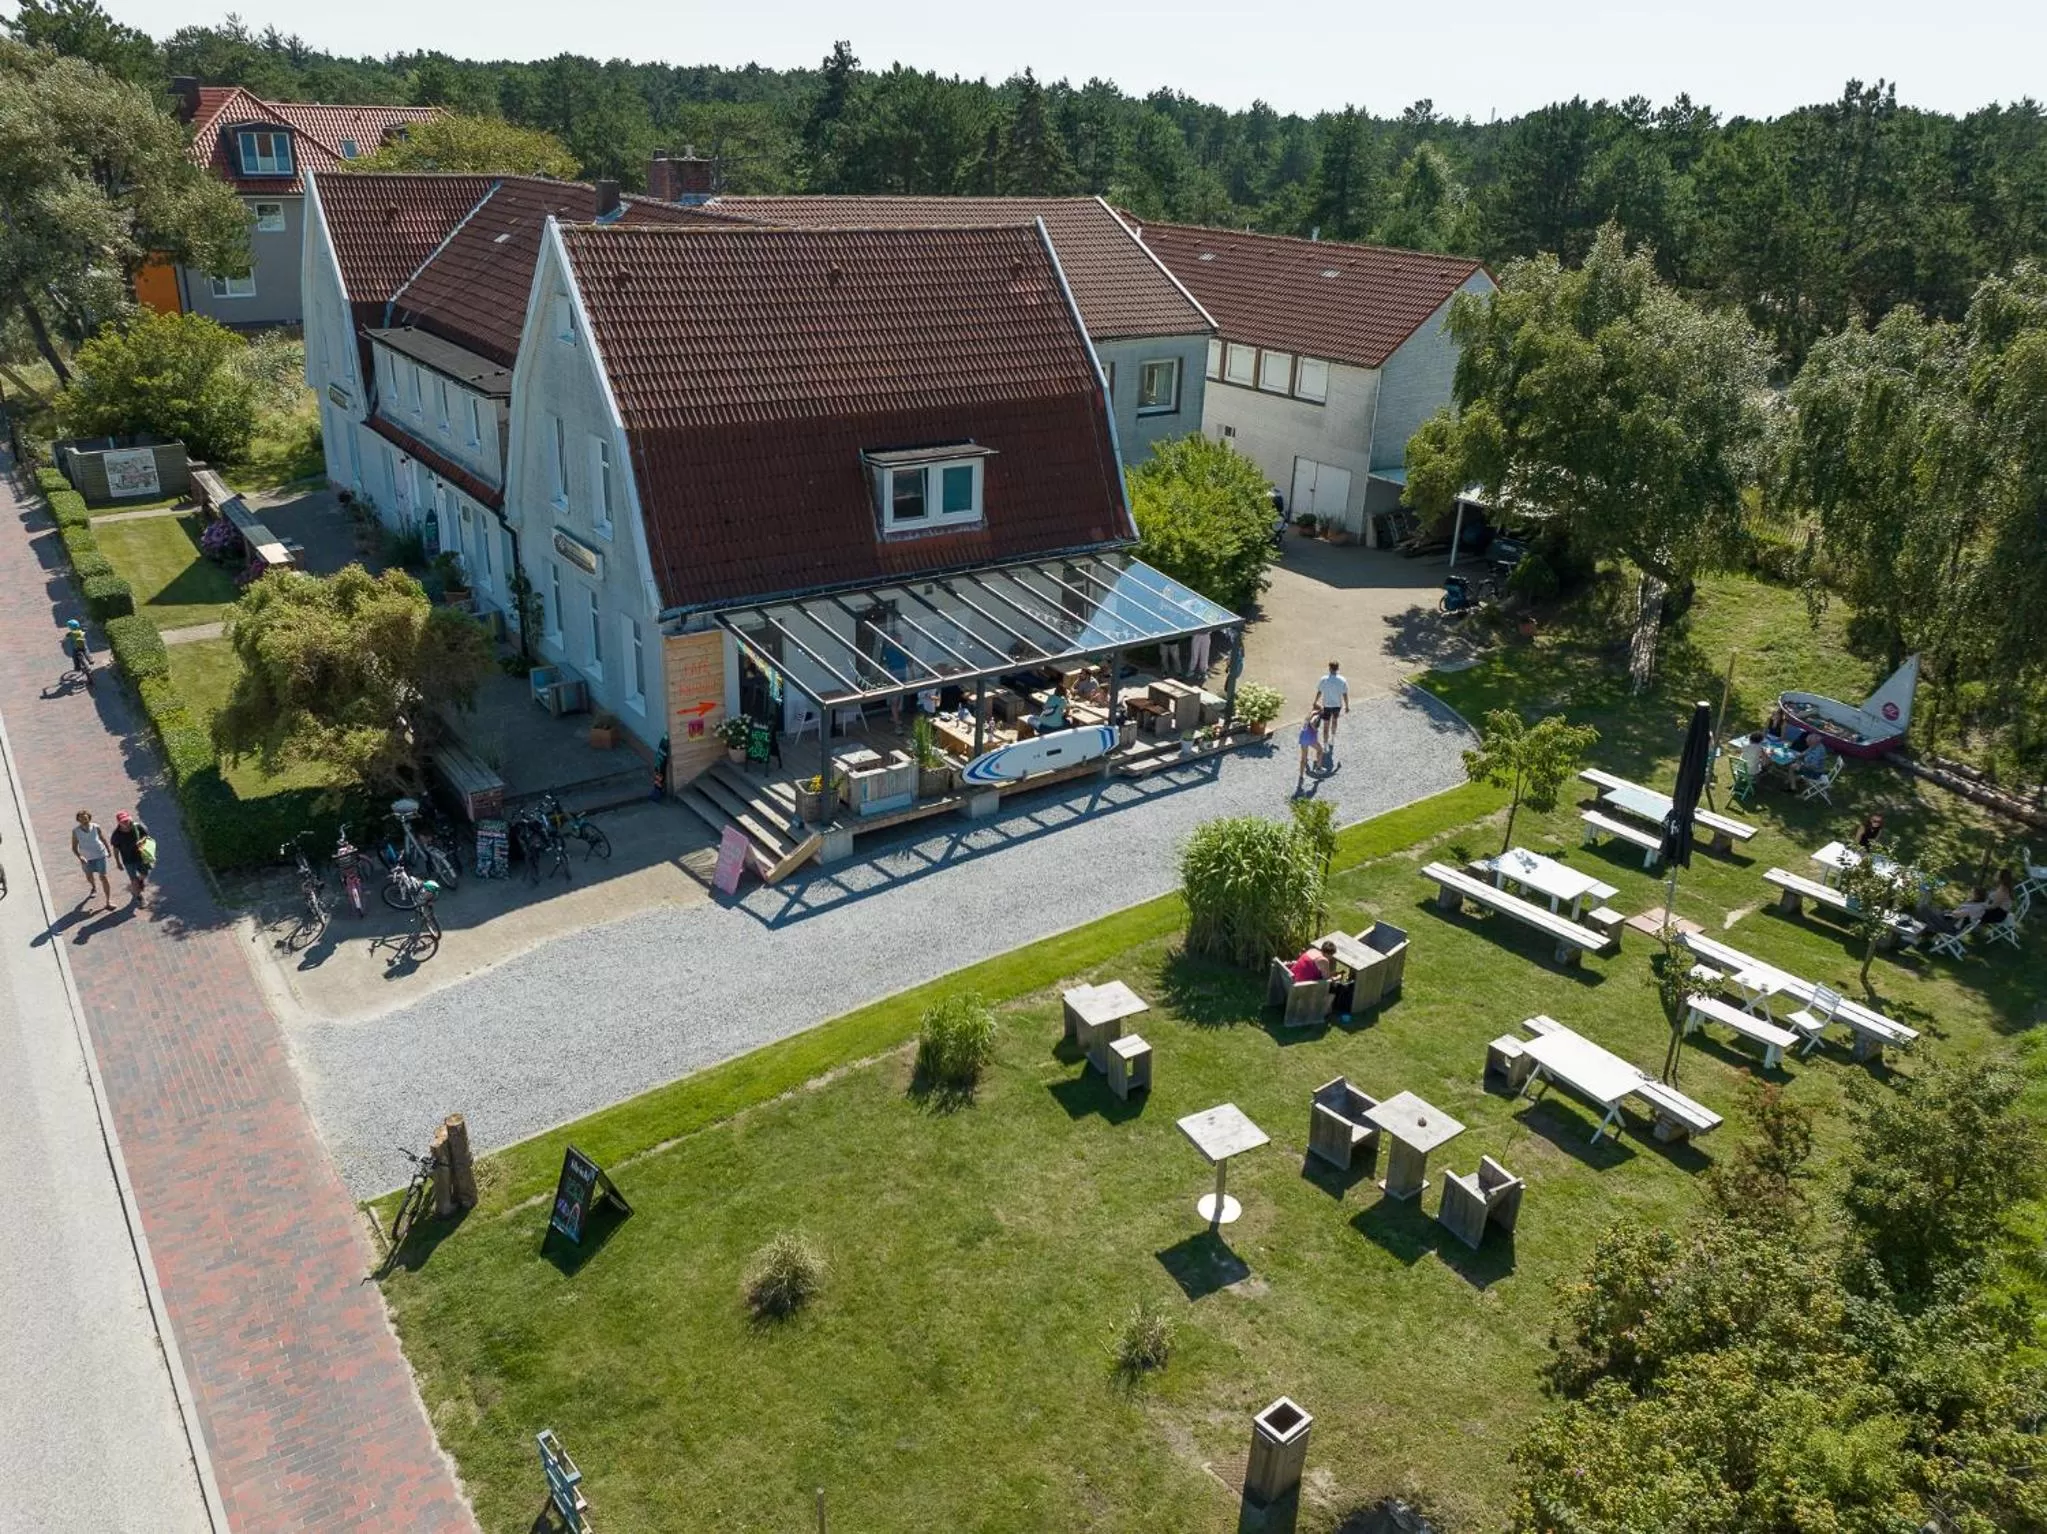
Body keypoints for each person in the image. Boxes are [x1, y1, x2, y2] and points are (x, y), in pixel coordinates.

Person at [1290, 939, 1354, 1020]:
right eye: (1332, 955)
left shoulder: (1312, 951)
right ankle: (1325, 1011)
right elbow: (1327, 980)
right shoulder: (1324, 960)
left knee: (1331, 983)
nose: (1331, 957)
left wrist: (1333, 973)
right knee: (1333, 987)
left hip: (1293, 980)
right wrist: (1338, 978)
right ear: (1329, 954)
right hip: (1302, 987)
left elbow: (1318, 971)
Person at [71, 809, 113, 909]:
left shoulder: (96, 827)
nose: (84, 821)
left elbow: (102, 839)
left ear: (89, 818)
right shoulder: (76, 831)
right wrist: (80, 856)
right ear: (78, 820)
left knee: (103, 877)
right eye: (81, 819)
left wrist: (108, 850)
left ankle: (108, 901)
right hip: (86, 858)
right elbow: (74, 847)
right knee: (89, 876)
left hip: (100, 855)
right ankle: (93, 887)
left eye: (85, 818)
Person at [107, 809, 153, 902]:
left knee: (145, 873)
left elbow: (147, 837)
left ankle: (139, 883)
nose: (126, 823)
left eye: (127, 820)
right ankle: (139, 897)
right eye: (123, 821)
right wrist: (118, 862)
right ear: (119, 823)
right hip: (128, 860)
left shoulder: (138, 827)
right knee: (133, 879)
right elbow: (116, 849)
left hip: (141, 857)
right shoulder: (116, 835)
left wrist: (143, 843)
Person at [1314, 661, 1350, 754]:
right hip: (1337, 706)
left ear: (1329, 668)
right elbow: (1345, 694)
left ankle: (1325, 745)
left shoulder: (1324, 679)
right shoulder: (1342, 680)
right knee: (1335, 721)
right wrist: (1347, 706)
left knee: (1326, 726)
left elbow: (1319, 692)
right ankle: (1332, 739)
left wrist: (1315, 701)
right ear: (1337, 669)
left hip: (1327, 706)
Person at [1295, 710, 1321, 793]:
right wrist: (1315, 728)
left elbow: (1310, 720)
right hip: (1311, 738)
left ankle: (1301, 776)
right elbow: (1313, 724)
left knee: (1303, 758)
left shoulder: (1308, 717)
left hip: (1303, 737)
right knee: (1320, 750)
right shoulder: (1315, 717)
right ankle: (1318, 768)